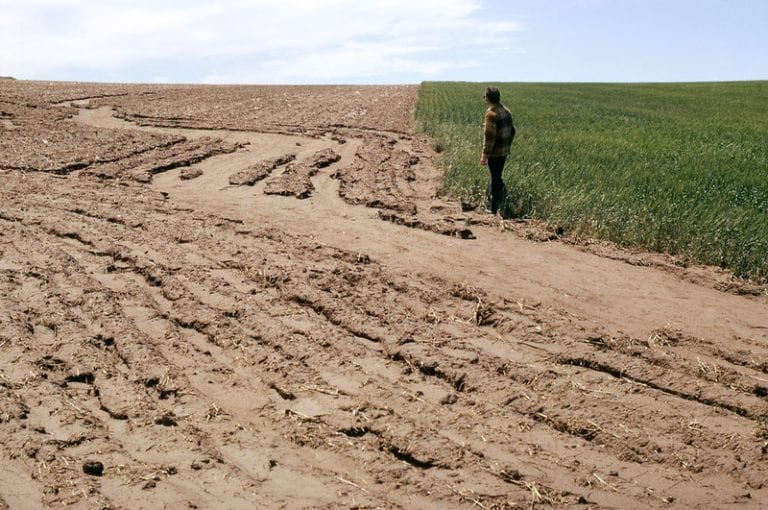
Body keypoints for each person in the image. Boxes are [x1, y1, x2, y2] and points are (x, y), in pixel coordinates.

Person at [480, 86, 515, 215]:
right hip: (504, 151)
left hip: (495, 152)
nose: (485, 99)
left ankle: (494, 208)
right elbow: (513, 131)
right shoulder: (506, 111)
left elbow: (489, 137)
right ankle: (506, 200)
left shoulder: (491, 114)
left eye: (485, 97)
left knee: (495, 178)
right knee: (497, 176)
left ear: (488, 98)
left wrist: (484, 155)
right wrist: (508, 145)